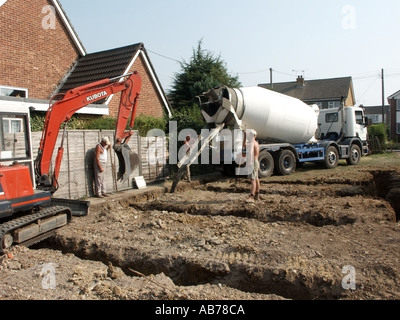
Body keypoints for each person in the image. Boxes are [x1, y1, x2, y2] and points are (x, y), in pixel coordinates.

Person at [247, 130, 260, 202]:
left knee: (252, 180)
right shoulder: (256, 143)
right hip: (256, 161)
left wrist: (250, 162)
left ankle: (251, 196)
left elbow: (251, 153)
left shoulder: (252, 143)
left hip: (252, 162)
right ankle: (257, 195)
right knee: (256, 178)